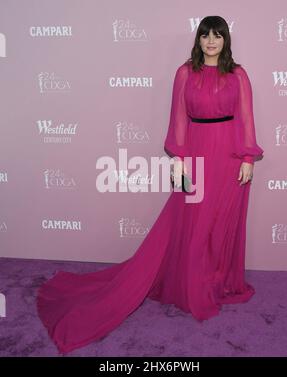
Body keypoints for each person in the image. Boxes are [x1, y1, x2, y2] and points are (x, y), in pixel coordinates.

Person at [36, 15, 264, 354]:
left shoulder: (238, 74)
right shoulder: (185, 73)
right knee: (195, 224)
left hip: (230, 158)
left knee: (223, 224)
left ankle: (218, 282)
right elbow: (178, 119)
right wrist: (179, 159)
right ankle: (191, 287)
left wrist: (247, 159)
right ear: (199, 40)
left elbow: (246, 117)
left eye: (217, 35)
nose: (212, 41)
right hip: (198, 155)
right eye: (206, 36)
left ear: (225, 39)